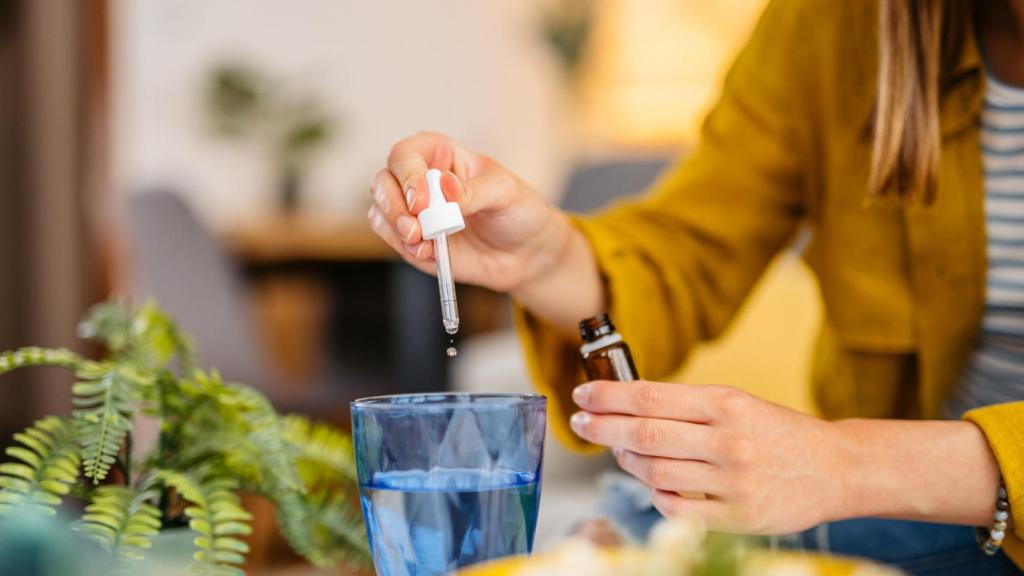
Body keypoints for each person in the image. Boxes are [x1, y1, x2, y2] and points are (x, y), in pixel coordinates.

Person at [367, 0, 1024, 573]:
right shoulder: (836, 22)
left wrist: (843, 464)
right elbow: (690, 251)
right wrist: (541, 257)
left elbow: (839, 474)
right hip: (914, 525)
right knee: (610, 544)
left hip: (900, 506)